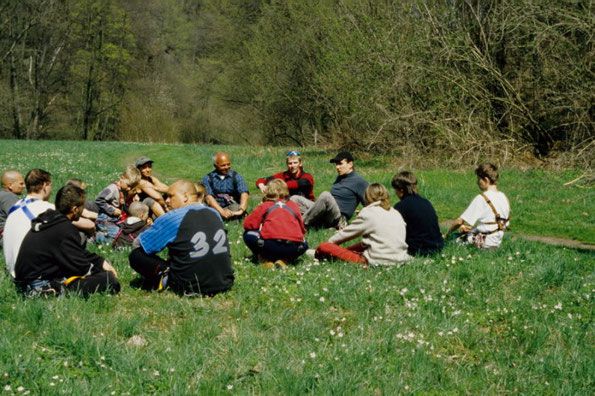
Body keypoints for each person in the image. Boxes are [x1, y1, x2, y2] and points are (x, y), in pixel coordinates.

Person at [129, 180, 234, 296]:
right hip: (225, 281)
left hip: (189, 286)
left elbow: (138, 244)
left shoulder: (173, 217)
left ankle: (164, 280)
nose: (167, 200)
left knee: (136, 255)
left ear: (185, 196)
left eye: (170, 196)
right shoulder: (214, 213)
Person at [14, 185, 120, 297]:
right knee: (109, 280)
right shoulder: (65, 228)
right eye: (82, 207)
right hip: (39, 286)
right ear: (74, 209)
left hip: (25, 281)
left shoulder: (49, 220)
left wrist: (100, 262)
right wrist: (101, 272)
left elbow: (76, 251)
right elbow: (81, 267)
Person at [4, 169, 96, 277]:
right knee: (77, 230)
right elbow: (89, 225)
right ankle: (83, 265)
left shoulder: (15, 207)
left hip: (13, 267)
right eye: (50, 185)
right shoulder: (47, 209)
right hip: (33, 270)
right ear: (44, 186)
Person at [315, 183, 410, 266]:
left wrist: (329, 245)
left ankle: (318, 254)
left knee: (324, 246)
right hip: (400, 258)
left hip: (377, 261)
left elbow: (345, 234)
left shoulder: (368, 213)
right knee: (362, 245)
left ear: (367, 197)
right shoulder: (395, 213)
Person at [244, 179, 308, 268]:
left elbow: (248, 225)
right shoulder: (294, 205)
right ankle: (286, 259)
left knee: (247, 234)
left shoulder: (265, 205)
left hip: (269, 245)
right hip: (293, 247)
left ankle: (265, 258)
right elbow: (302, 230)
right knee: (305, 243)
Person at [444, 163, 510, 248]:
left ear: (486, 180)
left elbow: (459, 221)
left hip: (485, 242)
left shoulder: (482, 198)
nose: (477, 182)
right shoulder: (503, 197)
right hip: (497, 241)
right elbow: (504, 223)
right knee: (468, 231)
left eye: (479, 179)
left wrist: (447, 233)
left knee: (451, 239)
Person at [299, 152, 368, 229]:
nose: (337, 167)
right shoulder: (340, 178)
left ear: (350, 164)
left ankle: (300, 224)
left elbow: (371, 204)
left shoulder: (359, 182)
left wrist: (363, 213)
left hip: (338, 217)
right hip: (327, 212)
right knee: (295, 199)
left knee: (325, 195)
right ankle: (290, 221)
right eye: (336, 164)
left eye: (340, 164)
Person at [392, 171, 444, 256]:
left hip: (418, 250)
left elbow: (394, 232)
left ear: (401, 191)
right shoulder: (426, 202)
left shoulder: (400, 206)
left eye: (395, 190)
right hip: (437, 247)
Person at [94, 165, 141, 243]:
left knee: (123, 234)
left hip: (114, 219)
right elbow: (99, 200)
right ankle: (95, 237)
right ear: (122, 178)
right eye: (128, 185)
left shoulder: (124, 190)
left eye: (132, 187)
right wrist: (112, 210)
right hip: (105, 218)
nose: (129, 189)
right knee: (116, 237)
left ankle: (104, 234)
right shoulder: (112, 189)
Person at [202, 152, 249, 220]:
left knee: (235, 209)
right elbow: (208, 197)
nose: (226, 167)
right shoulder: (207, 178)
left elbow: (244, 193)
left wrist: (241, 210)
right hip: (214, 206)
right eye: (223, 165)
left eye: (228, 164)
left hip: (231, 205)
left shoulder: (236, 176)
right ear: (215, 165)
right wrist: (221, 211)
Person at [0, 170, 25, 247]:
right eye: (21, 183)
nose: (24, 186)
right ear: (10, 185)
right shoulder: (9, 197)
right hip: (8, 237)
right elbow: (21, 217)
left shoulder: (2, 194)